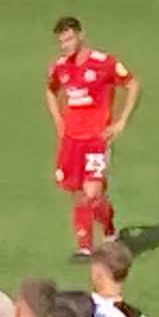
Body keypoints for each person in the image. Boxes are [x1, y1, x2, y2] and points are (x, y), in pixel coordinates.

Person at [45, 16, 139, 260]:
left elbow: (132, 84)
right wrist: (58, 121)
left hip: (96, 138)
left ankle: (107, 229)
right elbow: (50, 90)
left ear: (80, 35)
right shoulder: (60, 66)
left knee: (93, 193)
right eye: (61, 41)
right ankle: (85, 245)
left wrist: (121, 122)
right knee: (77, 193)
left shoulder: (103, 62)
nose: (65, 45)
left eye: (69, 39)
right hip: (71, 140)